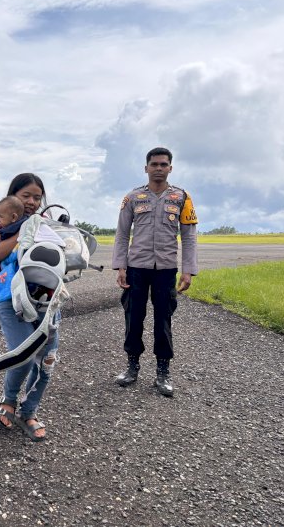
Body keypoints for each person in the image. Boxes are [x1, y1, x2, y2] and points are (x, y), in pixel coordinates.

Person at [112, 147, 198, 397]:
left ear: (170, 168)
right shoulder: (133, 197)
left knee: (163, 320)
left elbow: (189, 236)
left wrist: (188, 271)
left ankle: (163, 372)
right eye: (154, 164)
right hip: (137, 268)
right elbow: (122, 233)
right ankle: (132, 367)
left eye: (163, 164)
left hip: (166, 269)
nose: (158, 168)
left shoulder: (182, 197)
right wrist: (121, 266)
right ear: (146, 167)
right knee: (133, 318)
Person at [0, 174, 60, 442]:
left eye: (37, 197)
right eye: (26, 195)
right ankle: (9, 399)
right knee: (23, 354)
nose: (31, 202)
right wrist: (22, 229)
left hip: (48, 300)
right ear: (14, 194)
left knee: (47, 360)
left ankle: (30, 411)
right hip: (11, 299)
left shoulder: (47, 224)